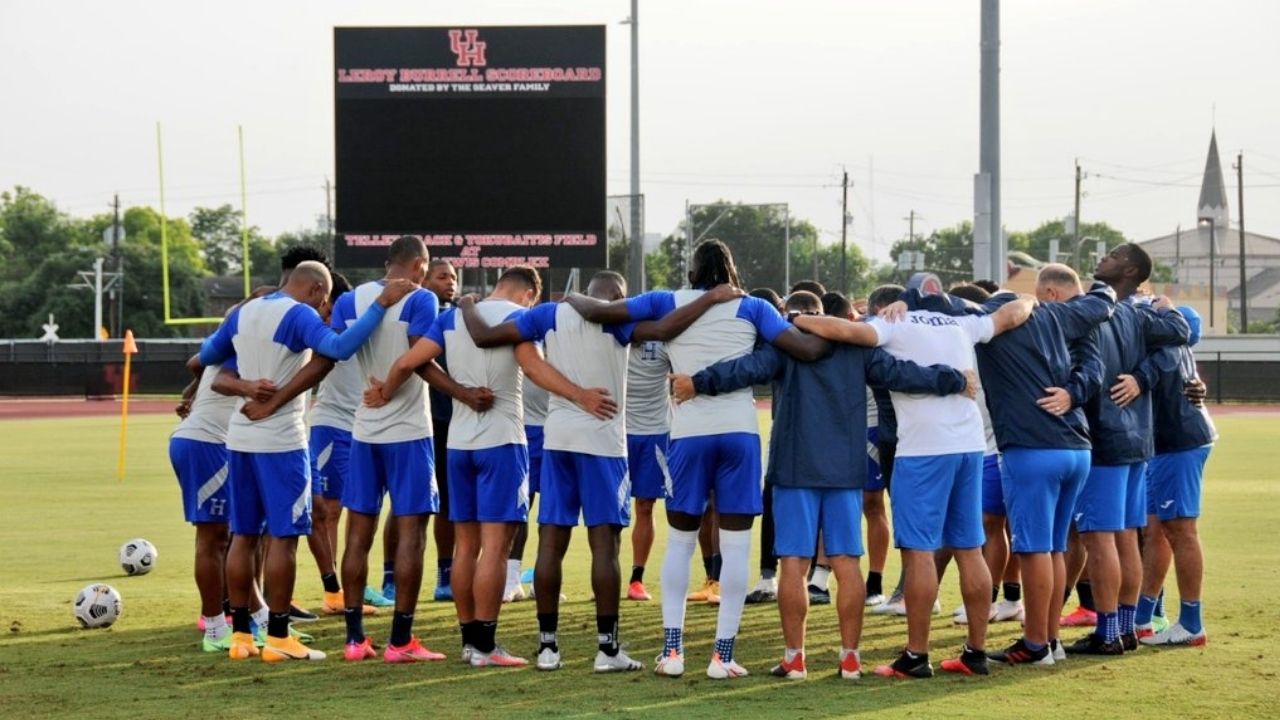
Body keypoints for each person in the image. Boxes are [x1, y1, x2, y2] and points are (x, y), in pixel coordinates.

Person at [672, 289, 976, 681]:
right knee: (847, 563)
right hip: (845, 469)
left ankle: (794, 659)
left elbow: (745, 369)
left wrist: (697, 382)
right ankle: (850, 658)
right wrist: (954, 379)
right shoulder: (858, 349)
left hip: (795, 467)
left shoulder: (786, 345)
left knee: (794, 563)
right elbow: (905, 374)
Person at [566, 240, 830, 680]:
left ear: (692, 272)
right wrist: (814, 323)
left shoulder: (668, 300)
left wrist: (572, 296)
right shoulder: (753, 308)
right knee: (736, 547)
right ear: (731, 270)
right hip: (739, 433)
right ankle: (722, 657)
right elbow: (804, 350)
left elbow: (597, 313)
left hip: (688, 435)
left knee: (682, 542)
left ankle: (672, 653)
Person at [464, 271, 744, 673]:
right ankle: (607, 650)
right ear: (614, 297)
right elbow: (667, 326)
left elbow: (484, 337)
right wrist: (712, 296)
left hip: (558, 437)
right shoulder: (617, 321)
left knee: (550, 544)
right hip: (603, 442)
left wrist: (468, 305)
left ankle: (548, 648)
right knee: (604, 547)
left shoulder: (547, 313)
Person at [794, 285, 1035, 678]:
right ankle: (975, 653)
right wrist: (1031, 298)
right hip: (970, 446)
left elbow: (844, 331)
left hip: (923, 450)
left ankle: (916, 656)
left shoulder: (895, 321)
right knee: (970, 548)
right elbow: (1012, 313)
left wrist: (795, 318)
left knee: (919, 552)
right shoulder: (961, 322)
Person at [367, 266, 599, 668]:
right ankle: (487, 646)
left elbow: (409, 363)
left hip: (459, 444)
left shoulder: (451, 316)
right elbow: (537, 369)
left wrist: (385, 391)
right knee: (495, 546)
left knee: (466, 546)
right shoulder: (518, 318)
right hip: (502, 442)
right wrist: (581, 395)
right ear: (529, 293)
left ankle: (469, 642)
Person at [196, 261, 416, 662]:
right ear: (316, 290)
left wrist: (245, 383)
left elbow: (207, 356)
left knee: (243, 536)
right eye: (324, 299)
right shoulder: (298, 314)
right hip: (281, 441)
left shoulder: (244, 312)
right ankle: (279, 635)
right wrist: (380, 304)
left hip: (239, 437)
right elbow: (338, 349)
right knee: (284, 537)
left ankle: (241, 636)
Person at [900, 265, 1116, 665]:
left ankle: (1036, 644)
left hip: (1031, 446)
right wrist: (1104, 289)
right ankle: (1050, 641)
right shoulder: (1053, 312)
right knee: (1052, 547)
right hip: (1076, 445)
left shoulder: (986, 326)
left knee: (1033, 549)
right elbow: (1098, 305)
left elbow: (946, 315)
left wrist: (906, 302)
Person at [329, 236, 449, 663]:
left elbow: (341, 349)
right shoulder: (422, 300)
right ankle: (400, 641)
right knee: (411, 535)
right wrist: (463, 393)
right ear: (419, 265)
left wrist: (376, 389)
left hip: (364, 430)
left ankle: (354, 639)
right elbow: (420, 357)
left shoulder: (351, 300)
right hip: (408, 432)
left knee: (357, 534)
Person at [1068, 244, 1189, 655]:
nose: (1103, 256)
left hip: (1104, 437)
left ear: (1130, 269)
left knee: (1101, 537)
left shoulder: (1094, 310)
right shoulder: (1139, 314)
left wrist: (1140, 376)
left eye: (1114, 255)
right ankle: (1124, 628)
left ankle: (1108, 632)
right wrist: (1143, 374)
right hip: (1137, 439)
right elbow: (1177, 336)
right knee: (1122, 536)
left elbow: (1180, 335)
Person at [1134, 305, 1214, 647]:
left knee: (1180, 529)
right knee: (1156, 531)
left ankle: (1192, 623)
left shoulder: (1165, 349)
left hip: (1178, 443)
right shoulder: (1168, 348)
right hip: (1166, 444)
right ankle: (1142, 616)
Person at [305, 273, 384, 617]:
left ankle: (355, 582)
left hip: (362, 428)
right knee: (330, 511)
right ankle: (334, 591)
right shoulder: (324, 333)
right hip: (331, 426)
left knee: (361, 509)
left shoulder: (361, 329)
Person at [423, 258, 460, 603]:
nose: (450, 282)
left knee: (464, 503)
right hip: (435, 419)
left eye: (453, 277)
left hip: (466, 420)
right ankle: (444, 573)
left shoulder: (463, 316)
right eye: (442, 276)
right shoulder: (424, 314)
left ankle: (461, 569)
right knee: (442, 503)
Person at [624, 335, 672, 602]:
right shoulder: (611, 332)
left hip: (655, 432)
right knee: (610, 510)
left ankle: (636, 579)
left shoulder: (665, 335)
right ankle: (606, 575)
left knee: (645, 505)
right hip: (616, 431)